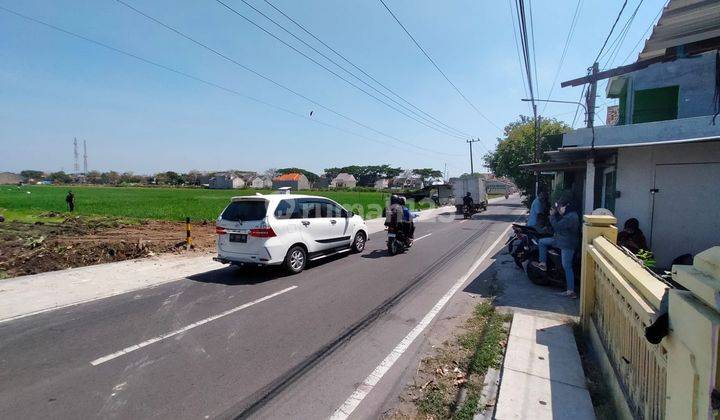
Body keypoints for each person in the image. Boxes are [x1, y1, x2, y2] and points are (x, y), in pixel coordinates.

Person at [533, 199, 580, 298]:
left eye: (560, 207)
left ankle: (570, 291)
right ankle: (543, 263)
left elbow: (557, 226)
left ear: (566, 207)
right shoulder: (571, 215)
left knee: (567, 266)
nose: (558, 209)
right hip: (561, 240)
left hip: (566, 244)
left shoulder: (570, 217)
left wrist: (552, 216)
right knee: (542, 242)